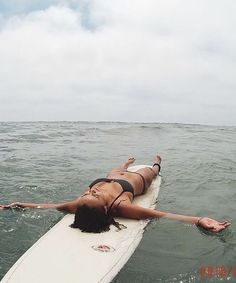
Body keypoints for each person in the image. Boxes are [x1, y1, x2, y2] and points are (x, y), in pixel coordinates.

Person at [0, 155, 230, 233]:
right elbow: (162, 214)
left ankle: (126, 162)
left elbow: (48, 206)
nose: (92, 191)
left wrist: (16, 204)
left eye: (89, 193)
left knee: (115, 169)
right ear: (105, 209)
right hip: (135, 182)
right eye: (95, 195)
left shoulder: (82, 202)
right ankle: (158, 162)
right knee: (153, 171)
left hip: (112, 174)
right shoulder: (122, 207)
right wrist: (200, 220)